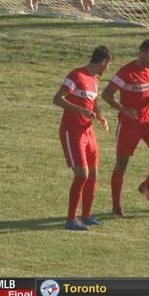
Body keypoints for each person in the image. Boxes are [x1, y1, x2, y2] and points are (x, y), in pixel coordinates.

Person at [101, 39, 149, 217]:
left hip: (148, 122)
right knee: (121, 165)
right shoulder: (126, 72)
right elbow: (106, 94)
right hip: (129, 125)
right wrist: (124, 110)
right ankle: (116, 208)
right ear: (141, 52)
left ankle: (146, 185)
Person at [52, 46, 112, 230]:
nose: (108, 69)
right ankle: (71, 219)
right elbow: (58, 99)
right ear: (103, 62)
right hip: (73, 131)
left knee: (93, 174)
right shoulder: (76, 76)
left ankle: (86, 216)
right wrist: (80, 110)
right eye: (108, 65)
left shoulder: (94, 80)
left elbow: (93, 102)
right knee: (82, 174)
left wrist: (100, 115)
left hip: (88, 131)